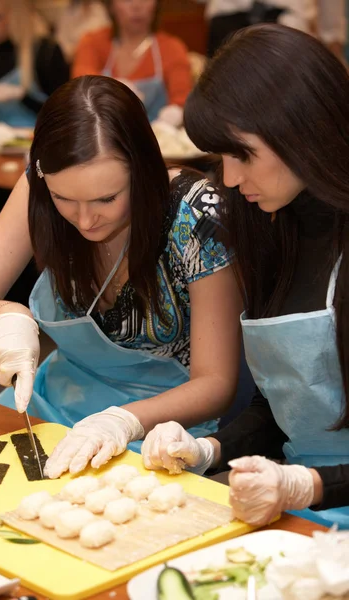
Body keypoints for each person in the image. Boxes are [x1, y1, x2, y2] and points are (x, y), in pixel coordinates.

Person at [0, 75, 242, 479]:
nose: (85, 220)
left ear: (142, 170)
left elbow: (217, 383)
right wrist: (5, 315)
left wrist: (121, 421)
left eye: (107, 199)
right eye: (63, 199)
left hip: (160, 428)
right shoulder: (40, 181)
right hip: (53, 401)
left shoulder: (194, 213)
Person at [141, 24, 349, 529]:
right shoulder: (273, 225)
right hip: (300, 507)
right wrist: (208, 449)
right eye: (222, 157)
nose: (230, 179)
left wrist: (311, 484)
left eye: (244, 154)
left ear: (301, 127)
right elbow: (280, 406)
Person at [72, 0, 192, 125]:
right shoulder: (92, 42)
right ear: (111, 6)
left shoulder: (172, 48)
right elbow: (80, 83)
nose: (137, 6)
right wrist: (111, 88)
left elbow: (182, 98)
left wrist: (176, 112)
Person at [0, 0, 68, 127]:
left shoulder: (46, 51)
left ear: (17, 16)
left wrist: (22, 97)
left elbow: (63, 113)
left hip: (37, 138)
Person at [196, 0, 346, 60]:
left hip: (286, 21)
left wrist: (332, 36)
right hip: (227, 19)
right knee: (225, 101)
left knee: (288, 101)